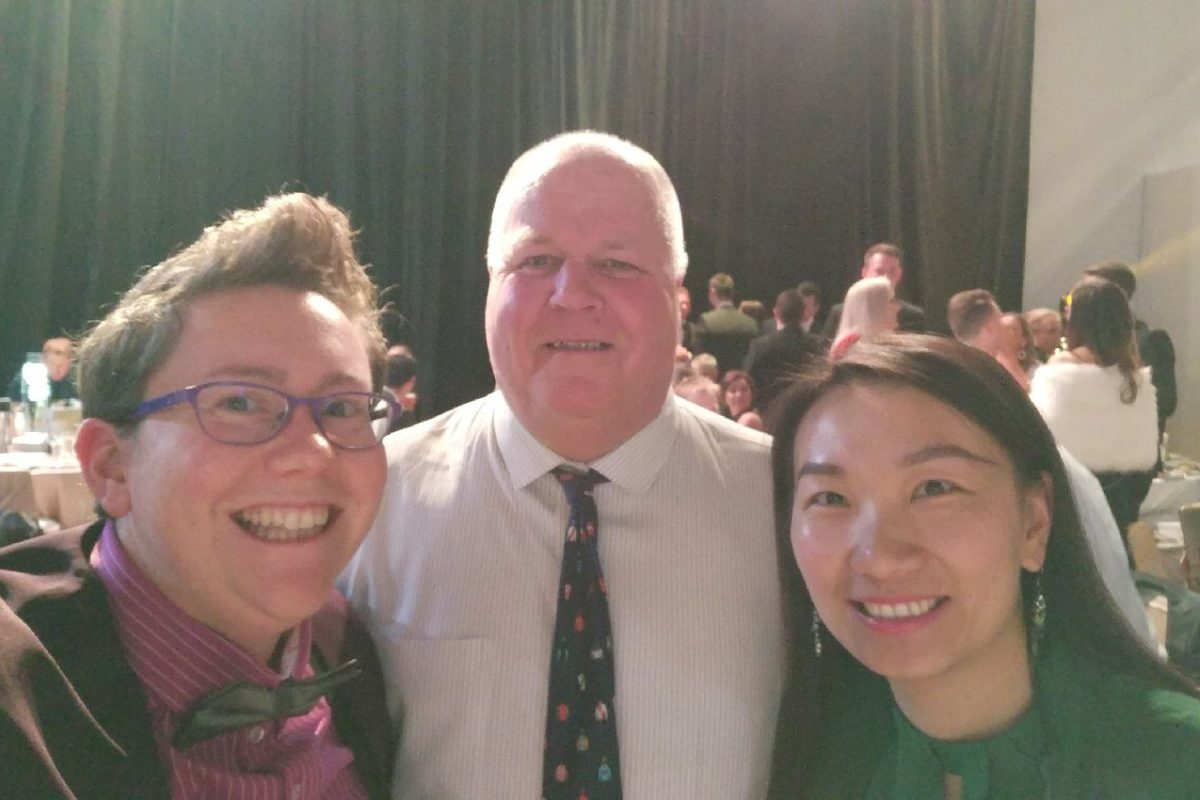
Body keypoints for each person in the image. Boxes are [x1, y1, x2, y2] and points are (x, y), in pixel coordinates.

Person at [341, 130, 785, 799]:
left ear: (678, 294)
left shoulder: (785, 505)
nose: (573, 294)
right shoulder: (372, 497)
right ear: (490, 285)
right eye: (537, 260)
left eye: (617, 264)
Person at [0, 193, 397, 798]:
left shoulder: (353, 647)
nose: (313, 451)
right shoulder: (16, 688)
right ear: (111, 467)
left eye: (342, 408)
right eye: (239, 402)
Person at [768, 335, 1200, 798]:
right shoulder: (808, 751)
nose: (880, 558)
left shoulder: (1174, 763)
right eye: (830, 498)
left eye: (935, 488)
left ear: (1034, 522)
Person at [1030, 276, 1158, 547]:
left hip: (1069, 498)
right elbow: (1147, 457)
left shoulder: (1060, 370)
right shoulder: (1136, 379)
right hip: (1122, 498)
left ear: (1077, 319)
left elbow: (1038, 439)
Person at [1084, 261, 1177, 436]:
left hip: (1132, 444)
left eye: (1090, 292)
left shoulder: (1151, 340)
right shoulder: (1085, 341)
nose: (1081, 299)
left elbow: (1165, 402)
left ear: (1116, 297)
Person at [744, 288, 824, 419]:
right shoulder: (817, 345)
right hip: (804, 416)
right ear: (803, 313)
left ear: (776, 313)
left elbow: (747, 380)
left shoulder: (761, 346)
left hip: (768, 415)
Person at [819, 243, 925, 340]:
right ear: (864, 273)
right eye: (879, 271)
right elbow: (823, 352)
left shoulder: (914, 316)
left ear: (899, 274)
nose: (886, 278)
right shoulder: (840, 313)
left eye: (892, 271)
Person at [946, 289, 1029, 391]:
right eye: (1000, 320)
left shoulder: (948, 369)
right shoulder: (988, 377)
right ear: (990, 327)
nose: (1004, 327)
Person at [694, 272, 761, 374]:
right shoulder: (750, 324)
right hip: (740, 380)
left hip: (714, 380)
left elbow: (699, 358)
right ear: (732, 292)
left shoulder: (706, 320)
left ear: (712, 291)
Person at [829, 276, 898, 360]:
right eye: (890, 301)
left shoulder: (886, 342)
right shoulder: (848, 348)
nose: (897, 307)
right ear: (874, 307)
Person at [6, 336, 78, 404]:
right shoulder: (28, 377)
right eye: (51, 364)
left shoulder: (77, 380)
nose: (56, 369)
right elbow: (10, 404)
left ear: (70, 363)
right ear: (43, 361)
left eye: (61, 366)